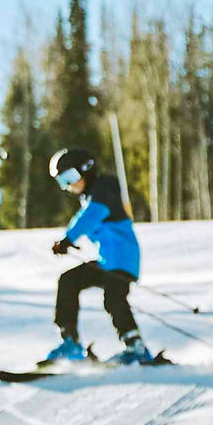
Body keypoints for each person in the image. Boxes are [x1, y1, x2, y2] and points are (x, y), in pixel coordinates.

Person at [43, 148, 159, 365]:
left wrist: (68, 239)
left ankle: (136, 346)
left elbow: (90, 217)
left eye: (70, 177)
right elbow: (85, 216)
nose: (69, 186)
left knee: (114, 298)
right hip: (108, 262)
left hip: (122, 260)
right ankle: (70, 342)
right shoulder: (92, 196)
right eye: (62, 181)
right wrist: (67, 241)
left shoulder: (104, 191)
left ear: (86, 170)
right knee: (69, 281)